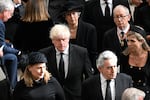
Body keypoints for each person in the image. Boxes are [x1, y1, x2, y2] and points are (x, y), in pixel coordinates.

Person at [39, 24, 93, 100]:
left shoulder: (81, 52)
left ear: (68, 39)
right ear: (52, 40)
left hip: (76, 96)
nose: (61, 43)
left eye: (64, 39)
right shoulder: (44, 54)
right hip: (52, 96)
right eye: (58, 40)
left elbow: (89, 77)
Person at [62, 0, 98, 74]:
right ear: (65, 17)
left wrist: (92, 68)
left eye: (73, 13)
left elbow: (93, 52)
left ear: (78, 14)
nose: (72, 17)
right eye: (68, 14)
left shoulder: (89, 29)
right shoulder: (61, 30)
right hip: (67, 64)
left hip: (85, 65)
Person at [120, 30, 150, 100]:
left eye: (132, 41)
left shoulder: (149, 56)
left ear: (141, 41)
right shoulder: (124, 56)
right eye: (127, 41)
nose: (129, 44)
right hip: (128, 93)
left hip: (146, 93)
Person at [0, 0, 21, 89]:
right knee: (13, 58)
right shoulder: (0, 24)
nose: (10, 17)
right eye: (10, 14)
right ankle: (12, 88)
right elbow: (2, 47)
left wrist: (9, 46)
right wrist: (18, 52)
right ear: (5, 11)